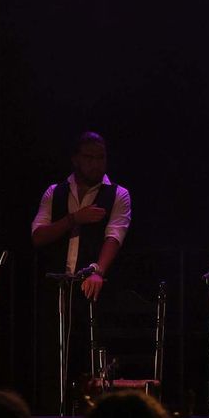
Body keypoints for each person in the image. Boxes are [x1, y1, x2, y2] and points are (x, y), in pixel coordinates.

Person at [31, 132, 132, 402]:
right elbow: (38, 236)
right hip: (58, 289)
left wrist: (98, 271)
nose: (96, 164)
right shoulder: (56, 193)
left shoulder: (117, 194)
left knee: (93, 357)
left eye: (101, 158)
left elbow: (114, 235)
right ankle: (55, 414)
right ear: (75, 159)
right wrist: (74, 219)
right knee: (54, 359)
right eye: (89, 157)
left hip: (93, 288)